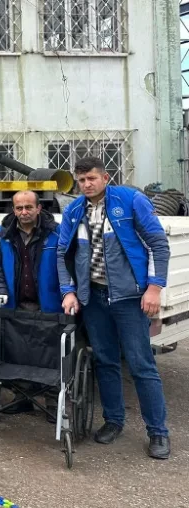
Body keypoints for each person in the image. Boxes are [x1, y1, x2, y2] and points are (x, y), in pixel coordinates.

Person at [57, 156, 171, 459]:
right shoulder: (74, 210)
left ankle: (158, 432)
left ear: (105, 177)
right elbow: (61, 253)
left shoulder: (130, 200)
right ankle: (113, 421)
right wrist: (69, 291)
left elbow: (159, 244)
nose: (86, 185)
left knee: (141, 364)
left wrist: (154, 287)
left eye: (91, 178)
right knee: (105, 362)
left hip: (129, 298)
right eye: (81, 180)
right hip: (93, 298)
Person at [0, 190, 62, 313]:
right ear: (14, 210)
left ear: (38, 208)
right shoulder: (2, 234)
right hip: (13, 306)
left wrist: (67, 294)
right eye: (19, 208)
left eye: (28, 207)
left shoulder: (56, 233)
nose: (24, 212)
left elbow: (66, 266)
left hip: (48, 307)